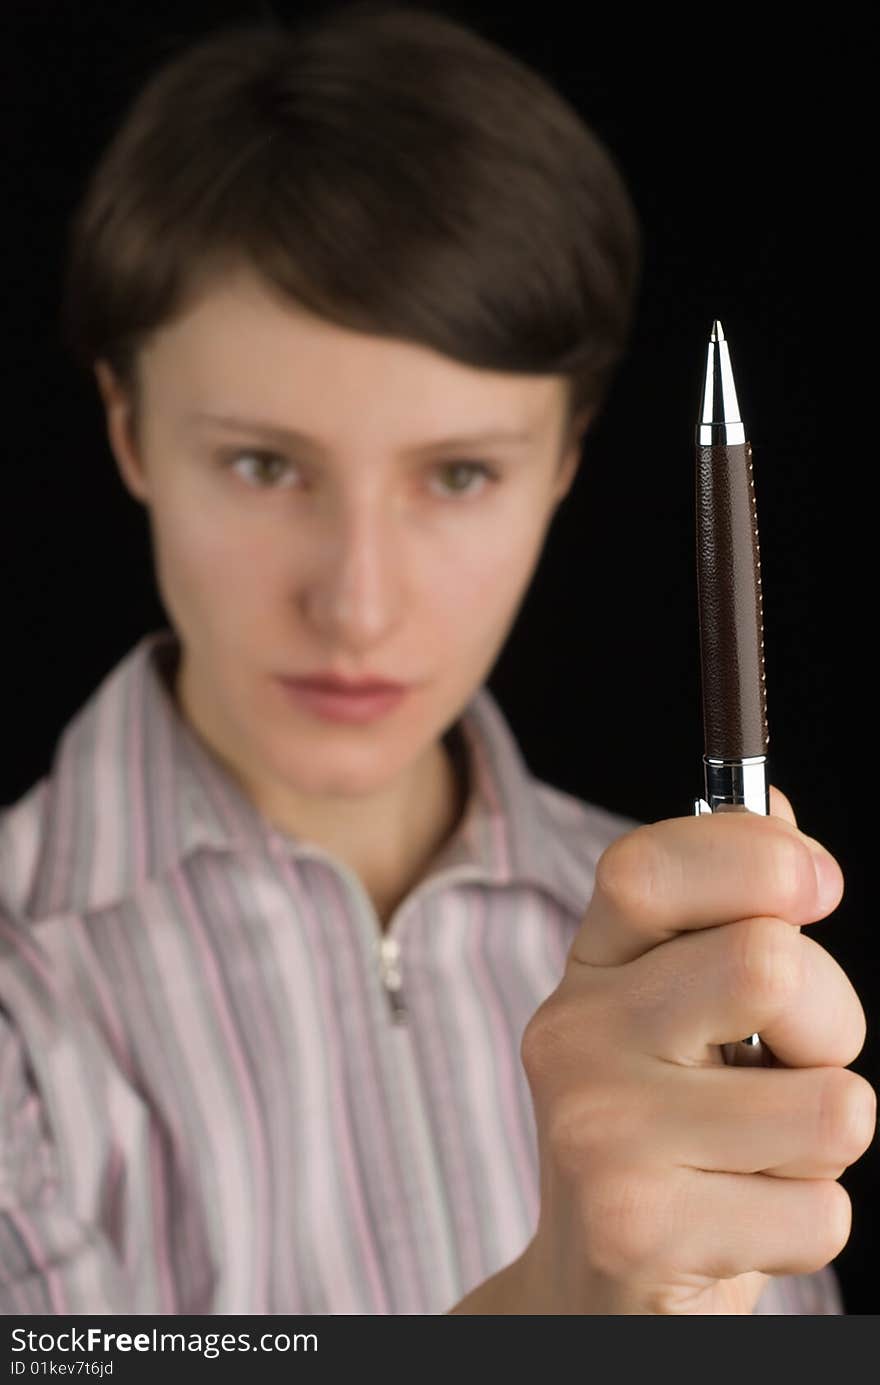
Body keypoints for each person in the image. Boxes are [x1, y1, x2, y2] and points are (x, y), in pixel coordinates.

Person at [0, 1, 871, 1316]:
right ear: (128, 430)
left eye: (459, 473)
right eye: (263, 463)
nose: (356, 604)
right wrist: (559, 1314)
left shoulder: (698, 967)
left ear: (566, 462)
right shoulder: (21, 986)